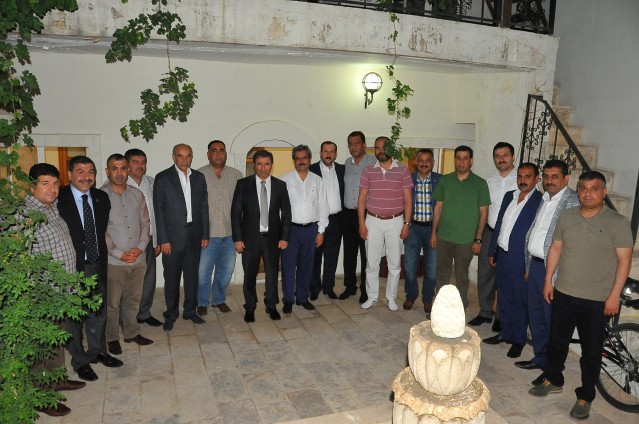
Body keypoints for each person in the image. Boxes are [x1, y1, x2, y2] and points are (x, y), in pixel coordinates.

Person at [529, 171, 633, 421]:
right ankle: (553, 379)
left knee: (591, 352)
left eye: (594, 189)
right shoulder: (567, 216)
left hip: (597, 300)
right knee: (557, 342)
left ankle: (585, 396)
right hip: (564, 292)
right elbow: (556, 248)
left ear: (604, 192)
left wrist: (614, 296)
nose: (588, 193)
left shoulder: (618, 222)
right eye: (583, 188)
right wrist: (548, 280)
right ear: (578, 191)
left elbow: (624, 261)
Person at [26, 163, 86, 417]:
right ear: (32, 186)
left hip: (60, 292)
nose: (51, 189)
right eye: (44, 183)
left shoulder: (52, 208)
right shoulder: (26, 215)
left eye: (54, 183)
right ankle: (41, 396)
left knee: (57, 339)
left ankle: (56, 379)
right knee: (41, 346)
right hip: (43, 294)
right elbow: (23, 258)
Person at [58, 156, 123, 382]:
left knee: (97, 312)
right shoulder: (60, 198)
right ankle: (80, 361)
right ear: (69, 174)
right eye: (80, 172)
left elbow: (101, 232)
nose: (86, 177)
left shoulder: (100, 197)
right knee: (74, 319)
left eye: (90, 172)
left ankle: (97, 351)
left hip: (97, 264)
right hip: (72, 268)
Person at [517, 160, 579, 375]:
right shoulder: (545, 198)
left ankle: (553, 367)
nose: (549, 181)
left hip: (553, 270)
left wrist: (551, 276)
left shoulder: (573, 202)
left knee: (551, 319)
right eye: (546, 176)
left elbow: (570, 242)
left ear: (566, 178)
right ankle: (541, 357)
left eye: (555, 176)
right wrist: (528, 266)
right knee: (536, 315)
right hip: (535, 265)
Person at [482, 163, 542, 359]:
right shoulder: (510, 196)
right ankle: (505, 333)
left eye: (527, 176)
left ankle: (518, 339)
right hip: (503, 254)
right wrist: (493, 250)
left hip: (520, 258)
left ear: (536, 179)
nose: (523, 180)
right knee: (504, 296)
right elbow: (500, 223)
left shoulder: (540, 202)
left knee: (519, 300)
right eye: (520, 176)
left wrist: (529, 265)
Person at [154, 144, 210, 332]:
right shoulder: (163, 178)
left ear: (192, 157)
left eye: (188, 156)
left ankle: (190, 310)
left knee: (192, 276)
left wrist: (205, 234)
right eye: (180, 156)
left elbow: (204, 208)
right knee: (171, 278)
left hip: (194, 236)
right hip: (172, 239)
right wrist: (163, 239)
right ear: (173, 157)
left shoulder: (199, 177)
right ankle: (171, 314)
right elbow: (159, 210)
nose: (184, 160)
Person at [231, 149, 292, 323]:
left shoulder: (280, 185)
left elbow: (286, 214)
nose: (263, 168)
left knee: (272, 275)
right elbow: (236, 213)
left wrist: (285, 237)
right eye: (259, 164)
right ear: (254, 165)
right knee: (249, 275)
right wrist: (237, 238)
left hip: (273, 239)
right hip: (249, 239)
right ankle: (250, 307)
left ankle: (271, 306)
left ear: (271, 165)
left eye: (266, 164)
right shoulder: (243, 184)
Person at [101, 154, 153, 356]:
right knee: (112, 304)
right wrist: (119, 253)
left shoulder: (137, 195)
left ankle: (131, 332)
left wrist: (140, 248)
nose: (119, 172)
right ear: (107, 171)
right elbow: (100, 230)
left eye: (123, 168)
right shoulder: (100, 196)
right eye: (114, 168)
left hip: (138, 259)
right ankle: (112, 338)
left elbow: (145, 223)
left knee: (133, 299)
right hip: (113, 262)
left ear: (128, 170)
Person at [430, 145, 490, 308]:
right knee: (442, 274)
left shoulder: (480, 184)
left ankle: (460, 308)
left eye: (465, 158)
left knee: (461, 276)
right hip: (444, 237)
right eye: (458, 158)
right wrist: (434, 233)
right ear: (454, 160)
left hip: (466, 240)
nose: (461, 162)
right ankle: (440, 308)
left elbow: (484, 213)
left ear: (471, 161)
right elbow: (438, 207)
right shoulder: (445, 180)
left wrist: (478, 239)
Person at [358, 136, 413, 311]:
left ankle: (391, 298)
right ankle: (372, 297)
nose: (380, 150)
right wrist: (362, 224)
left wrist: (406, 223)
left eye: (384, 147)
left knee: (394, 264)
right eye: (377, 147)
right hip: (372, 221)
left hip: (395, 222)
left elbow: (408, 200)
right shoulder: (368, 170)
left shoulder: (403, 170)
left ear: (391, 148)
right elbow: (361, 199)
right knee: (371, 263)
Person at [469, 142, 517, 330]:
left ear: (513, 157)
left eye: (505, 155)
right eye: (497, 156)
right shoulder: (489, 181)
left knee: (504, 277)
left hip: (510, 236)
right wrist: (479, 237)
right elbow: (483, 210)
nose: (501, 159)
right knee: (485, 273)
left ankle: (501, 316)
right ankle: (485, 311)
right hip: (490, 233)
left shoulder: (521, 180)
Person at [281, 145, 329, 313]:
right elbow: (279, 208)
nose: (301, 161)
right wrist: (282, 232)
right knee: (288, 266)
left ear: (309, 159)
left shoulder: (318, 181)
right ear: (294, 160)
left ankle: (302, 297)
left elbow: (323, 207)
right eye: (298, 158)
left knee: (306, 266)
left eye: (304, 158)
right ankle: (288, 299)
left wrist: (321, 231)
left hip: (311, 230)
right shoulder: (285, 180)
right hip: (290, 230)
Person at [197, 140, 242, 315]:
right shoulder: (198, 175)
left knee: (225, 272)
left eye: (221, 150)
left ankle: (218, 300)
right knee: (203, 273)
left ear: (226, 153)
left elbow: (242, 204)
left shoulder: (236, 175)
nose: (218, 153)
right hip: (207, 235)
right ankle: (202, 302)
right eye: (214, 150)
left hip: (230, 234)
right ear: (208, 154)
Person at [125, 148, 163, 328]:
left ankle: (143, 313)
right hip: (128, 243)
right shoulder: (120, 184)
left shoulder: (152, 182)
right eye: (135, 162)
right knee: (129, 282)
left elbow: (159, 212)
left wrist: (158, 239)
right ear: (127, 165)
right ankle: (127, 318)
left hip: (149, 240)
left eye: (143, 162)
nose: (140, 166)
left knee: (148, 279)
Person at [403, 148, 440, 314]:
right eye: (421, 160)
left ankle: (427, 298)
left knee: (431, 269)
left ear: (433, 163)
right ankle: (411, 295)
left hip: (433, 229)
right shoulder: (408, 179)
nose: (424, 163)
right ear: (416, 163)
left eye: (428, 160)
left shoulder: (441, 180)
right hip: (413, 228)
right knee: (409, 267)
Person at [341, 130, 376, 302]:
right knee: (349, 253)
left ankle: (365, 289)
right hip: (348, 215)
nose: (353, 146)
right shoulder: (347, 163)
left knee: (366, 254)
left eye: (356, 143)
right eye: (350, 143)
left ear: (364, 145)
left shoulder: (374, 163)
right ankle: (350, 287)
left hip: (366, 215)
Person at [309, 141, 345, 300]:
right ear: (320, 153)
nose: (328, 154)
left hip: (337, 220)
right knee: (315, 256)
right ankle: (314, 288)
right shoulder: (311, 170)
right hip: (317, 221)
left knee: (332, 256)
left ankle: (328, 287)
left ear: (336, 154)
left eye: (331, 151)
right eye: (325, 151)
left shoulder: (343, 170)